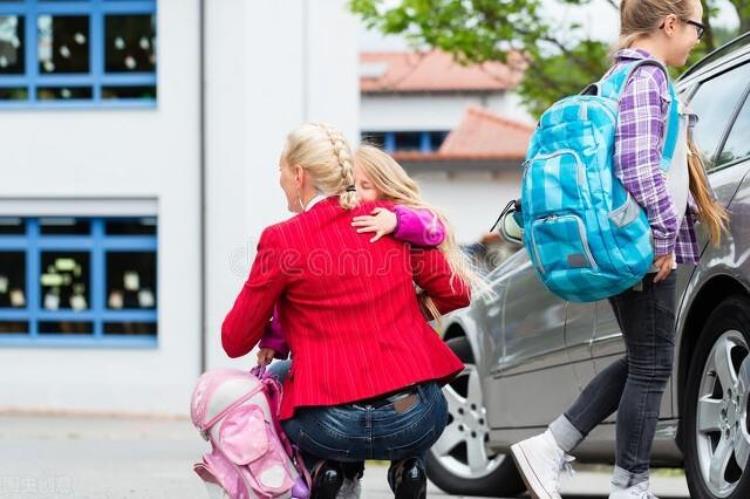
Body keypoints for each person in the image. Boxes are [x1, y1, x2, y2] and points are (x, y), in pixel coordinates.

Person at [510, 1, 729, 498]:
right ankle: (629, 484)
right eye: (696, 26)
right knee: (652, 364)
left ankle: (552, 447)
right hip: (639, 241)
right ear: (669, 24)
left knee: (644, 357)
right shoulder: (647, 78)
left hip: (615, 235)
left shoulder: (614, 77)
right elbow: (636, 164)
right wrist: (663, 235)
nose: (697, 36)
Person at [221, 123, 472, 499]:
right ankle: (409, 466)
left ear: (299, 174)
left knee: (279, 379)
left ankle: (327, 468)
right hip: (412, 415)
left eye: (281, 171)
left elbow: (235, 340)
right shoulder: (386, 221)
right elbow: (457, 291)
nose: (281, 181)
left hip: (328, 421)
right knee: (409, 387)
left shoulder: (282, 239)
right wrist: (406, 309)